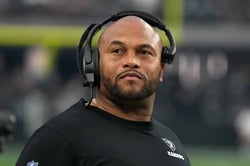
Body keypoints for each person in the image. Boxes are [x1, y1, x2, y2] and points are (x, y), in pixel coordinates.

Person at [16, 11, 191, 166]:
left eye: (144, 52)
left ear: (161, 68)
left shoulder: (171, 145)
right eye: (117, 51)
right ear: (94, 64)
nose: (131, 61)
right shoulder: (61, 137)